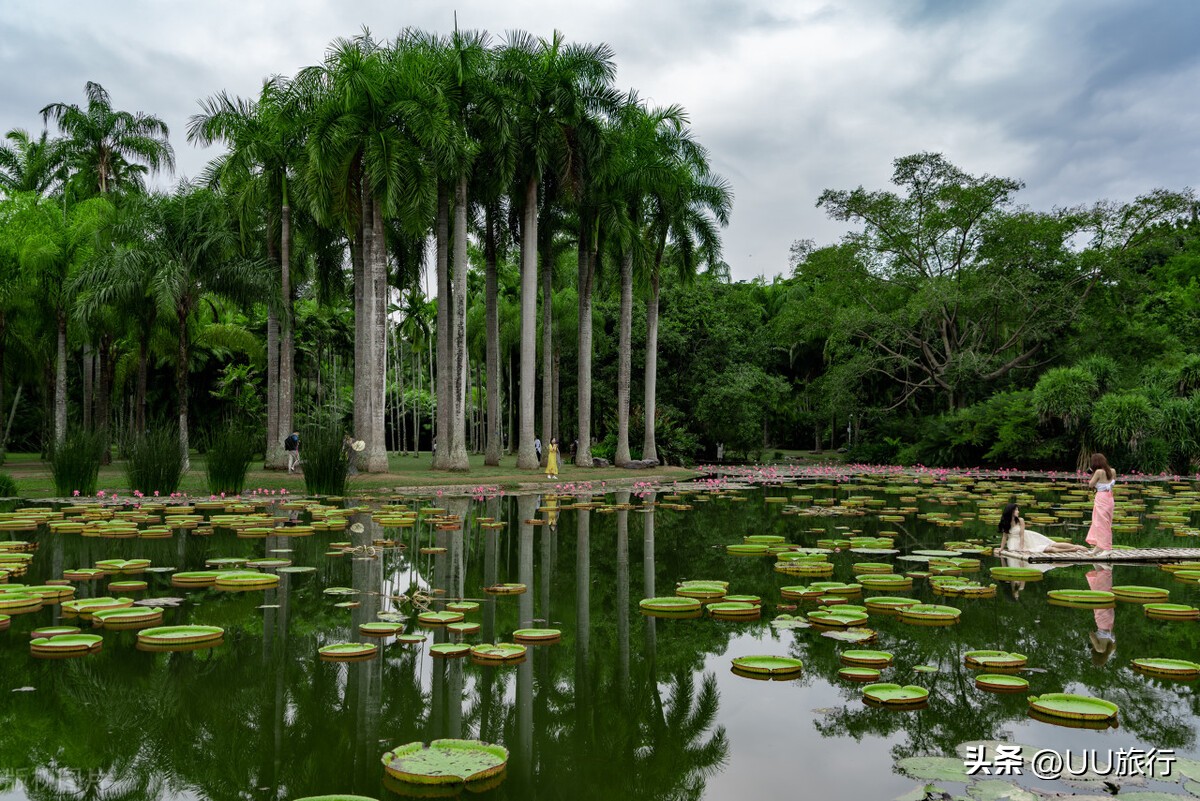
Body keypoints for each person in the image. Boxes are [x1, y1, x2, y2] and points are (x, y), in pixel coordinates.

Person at [998, 502, 1091, 554]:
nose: (1018, 511)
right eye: (1016, 510)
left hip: (1028, 538)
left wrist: (1021, 547)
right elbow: (1004, 537)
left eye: (1018, 509)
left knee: (1052, 544)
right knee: (1048, 549)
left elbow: (1022, 535)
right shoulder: (1006, 522)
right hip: (1013, 543)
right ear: (1011, 511)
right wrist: (1001, 548)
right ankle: (1071, 550)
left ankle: (1076, 546)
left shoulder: (1020, 520)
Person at [1085, 452, 1116, 556]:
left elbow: (1091, 485)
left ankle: (1107, 548)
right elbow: (1111, 483)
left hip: (1102, 498)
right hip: (1110, 498)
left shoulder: (1098, 472)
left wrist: (1093, 474)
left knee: (1102, 524)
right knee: (1100, 522)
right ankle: (1099, 546)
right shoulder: (1112, 471)